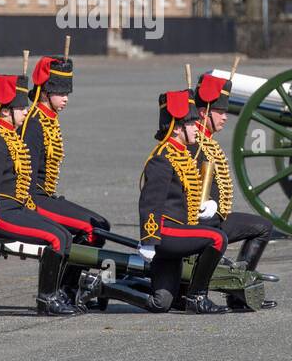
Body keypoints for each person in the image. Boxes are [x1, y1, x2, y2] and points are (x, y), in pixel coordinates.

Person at [91, 91, 229, 314]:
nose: (197, 127)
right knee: (216, 238)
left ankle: (104, 287)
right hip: (166, 234)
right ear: (177, 128)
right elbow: (150, 202)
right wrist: (149, 239)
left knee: (161, 302)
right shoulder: (162, 158)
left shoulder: (182, 153)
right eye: (191, 124)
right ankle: (197, 297)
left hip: (178, 233)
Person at [0, 73, 84, 315]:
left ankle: (57, 294)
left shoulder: (9, 135)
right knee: (55, 238)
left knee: (64, 235)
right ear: (5, 111)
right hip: (1, 212)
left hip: (16, 207)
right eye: (20, 108)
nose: (26, 112)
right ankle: (46, 300)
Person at [21, 54, 111, 302]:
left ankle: (69, 286)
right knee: (93, 228)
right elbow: (24, 172)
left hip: (45, 195)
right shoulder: (33, 123)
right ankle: (65, 289)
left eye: (67, 93)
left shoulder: (49, 119)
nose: (66, 99)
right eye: (61, 93)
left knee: (101, 225)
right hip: (32, 199)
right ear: (46, 91)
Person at [192, 72, 277, 310]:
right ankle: (234, 291)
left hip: (214, 217)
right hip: (196, 221)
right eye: (220, 112)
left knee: (262, 226)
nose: (226, 117)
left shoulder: (205, 140)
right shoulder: (193, 143)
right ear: (204, 112)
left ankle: (238, 291)